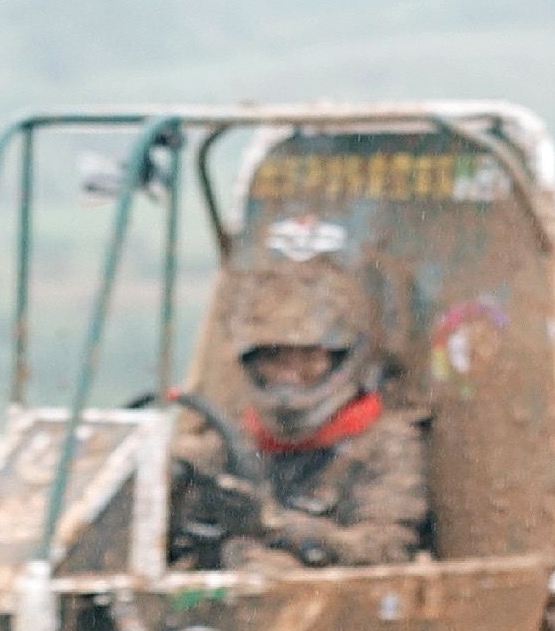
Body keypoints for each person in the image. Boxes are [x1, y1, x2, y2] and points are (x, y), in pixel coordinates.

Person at [165, 236, 432, 570]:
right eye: (274, 357)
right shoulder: (232, 439)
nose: (289, 375)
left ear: (342, 358)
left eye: (308, 357)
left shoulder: (384, 442)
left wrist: (276, 527)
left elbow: (386, 549)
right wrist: (169, 484)